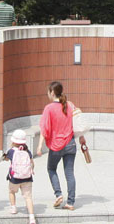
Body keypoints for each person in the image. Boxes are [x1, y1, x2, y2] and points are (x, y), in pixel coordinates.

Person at [40, 80, 76, 210]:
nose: (47, 94)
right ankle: (70, 202)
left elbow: (44, 129)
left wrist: (39, 146)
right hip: (71, 143)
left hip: (56, 146)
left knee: (51, 169)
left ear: (52, 92)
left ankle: (58, 194)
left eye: (48, 91)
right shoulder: (69, 105)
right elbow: (77, 121)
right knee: (69, 173)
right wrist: (82, 138)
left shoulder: (49, 108)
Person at [1, 128, 37, 223]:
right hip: (27, 177)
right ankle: (32, 217)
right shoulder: (27, 152)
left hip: (14, 178)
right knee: (28, 197)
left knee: (11, 191)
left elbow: (6, 159)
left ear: (13, 141)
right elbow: (32, 163)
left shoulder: (11, 151)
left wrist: (5, 157)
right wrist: (31, 169)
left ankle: (13, 208)